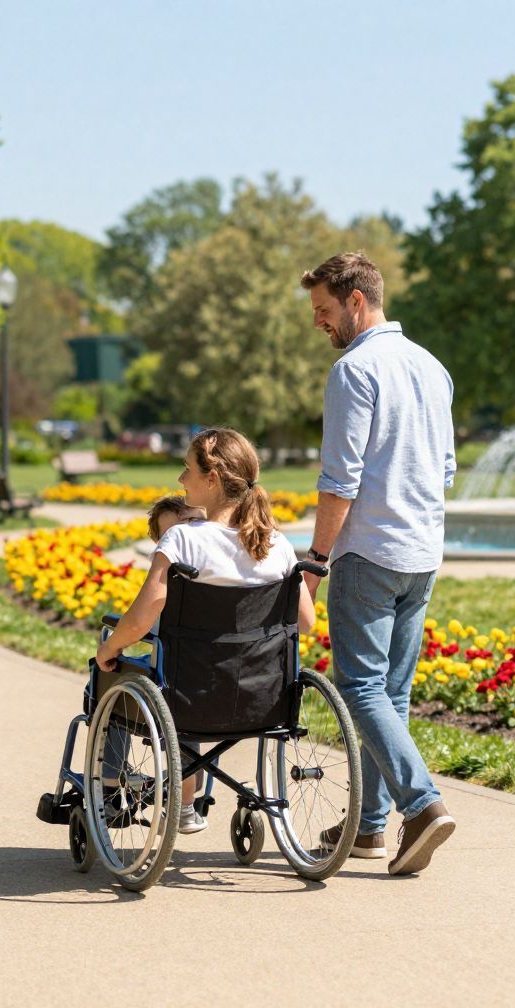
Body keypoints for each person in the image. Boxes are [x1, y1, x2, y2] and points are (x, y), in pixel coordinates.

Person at [300, 251, 458, 877]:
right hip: (422, 554)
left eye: (324, 310)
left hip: (368, 552)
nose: (320, 323)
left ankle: (421, 806)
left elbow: (340, 480)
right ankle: (368, 829)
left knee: (361, 689)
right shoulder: (432, 368)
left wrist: (314, 561)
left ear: (356, 302)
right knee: (392, 695)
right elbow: (444, 470)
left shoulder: (354, 370)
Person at [97, 427, 315, 836]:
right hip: (261, 699)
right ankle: (190, 801)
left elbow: (141, 620)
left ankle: (109, 786)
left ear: (211, 478)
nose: (181, 480)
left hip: (190, 695)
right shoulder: (278, 546)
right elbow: (304, 622)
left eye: (187, 469)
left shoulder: (182, 539)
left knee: (113, 665)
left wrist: (109, 647)